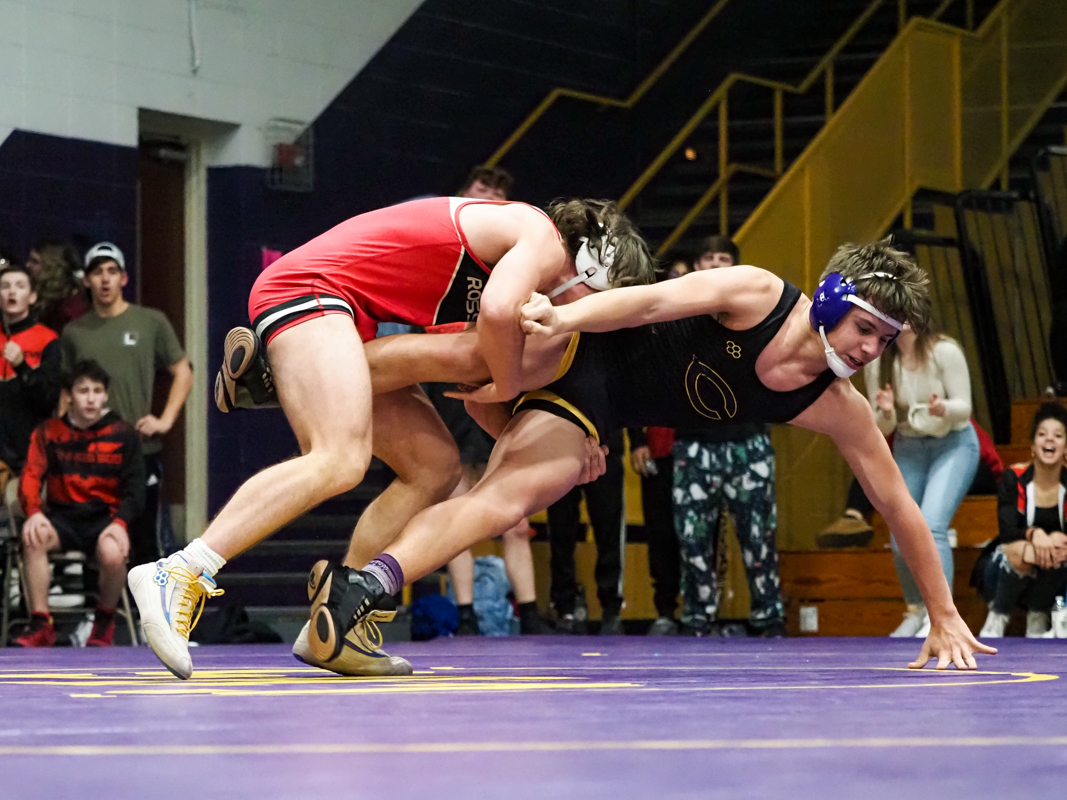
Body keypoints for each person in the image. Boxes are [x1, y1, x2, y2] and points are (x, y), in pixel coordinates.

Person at [313, 238, 996, 671]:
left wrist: (942, 612)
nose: (870, 350)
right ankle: (307, 364)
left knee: (505, 501)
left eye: (884, 341)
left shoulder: (836, 405)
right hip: (582, 348)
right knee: (468, 373)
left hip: (595, 411)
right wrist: (564, 317)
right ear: (829, 301)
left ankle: (363, 587)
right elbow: (647, 303)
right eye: (864, 329)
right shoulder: (756, 293)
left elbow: (897, 507)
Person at [136, 196, 654, 679]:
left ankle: (339, 617)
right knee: (340, 459)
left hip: (351, 322)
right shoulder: (540, 238)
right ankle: (179, 570)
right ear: (591, 267)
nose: (590, 323)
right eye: (601, 306)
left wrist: (558, 453)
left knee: (435, 467)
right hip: (310, 289)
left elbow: (472, 396)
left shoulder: (526, 284)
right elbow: (493, 323)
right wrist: (511, 381)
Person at [669, 235, 785, 638]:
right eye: (708, 257)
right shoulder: (676, 317)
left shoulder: (756, 313)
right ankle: (697, 618)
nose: (716, 264)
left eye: (724, 258)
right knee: (692, 539)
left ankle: (769, 618)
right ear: (696, 267)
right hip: (693, 444)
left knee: (759, 538)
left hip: (748, 443)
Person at [61, 243, 192, 567]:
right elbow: (65, 392)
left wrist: (164, 420)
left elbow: (183, 372)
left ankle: (148, 601)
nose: (105, 279)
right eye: (97, 272)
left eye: (112, 271)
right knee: (96, 541)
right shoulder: (74, 332)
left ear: (124, 278)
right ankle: (101, 601)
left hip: (139, 449)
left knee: (145, 540)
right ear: (87, 281)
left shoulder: (150, 322)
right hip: (90, 452)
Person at [14, 360, 144, 647]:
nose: (90, 398)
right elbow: (30, 478)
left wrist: (121, 524)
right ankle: (41, 623)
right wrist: (33, 512)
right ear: (68, 395)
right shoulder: (48, 432)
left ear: (106, 395)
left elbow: (136, 490)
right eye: (83, 391)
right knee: (33, 538)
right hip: (61, 518)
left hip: (105, 519)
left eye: (97, 391)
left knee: (114, 553)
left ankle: (104, 622)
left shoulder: (124, 434)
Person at [864, 323, 979, 638]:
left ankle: (941, 616)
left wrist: (943, 408)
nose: (899, 319)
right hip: (909, 446)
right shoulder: (878, 360)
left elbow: (965, 408)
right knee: (900, 532)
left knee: (931, 525)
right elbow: (881, 427)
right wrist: (887, 412)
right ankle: (916, 610)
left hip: (953, 443)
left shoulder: (944, 351)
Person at [974, 402, 1067, 637]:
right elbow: (1007, 532)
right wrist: (1035, 535)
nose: (1050, 439)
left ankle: (1043, 614)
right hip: (1002, 571)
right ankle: (998, 615)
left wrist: (1060, 541)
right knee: (1023, 551)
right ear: (1033, 446)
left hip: (1053, 572)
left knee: (1062, 552)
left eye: (1058, 436)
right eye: (1042, 434)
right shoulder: (1014, 477)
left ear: (1066, 447)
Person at [0, 261, 62, 526]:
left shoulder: (47, 339)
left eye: (19, 286)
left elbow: (48, 398)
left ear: (33, 296)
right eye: (5, 286)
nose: (12, 292)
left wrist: (21, 366)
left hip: (31, 451)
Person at [546, 428, 626, 634]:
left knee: (609, 530)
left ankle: (611, 608)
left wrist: (638, 441)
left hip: (605, 444)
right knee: (560, 531)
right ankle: (565, 607)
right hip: (560, 448)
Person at [24, 238, 89, 334]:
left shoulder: (72, 303)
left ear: (52, 265)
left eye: (35, 261)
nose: (28, 265)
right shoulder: (36, 293)